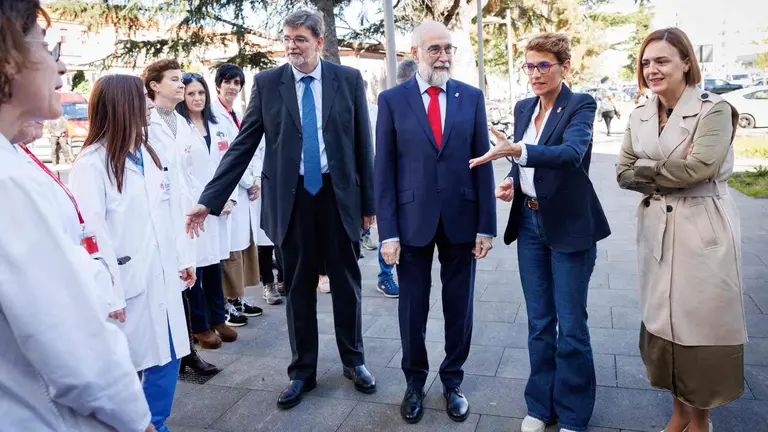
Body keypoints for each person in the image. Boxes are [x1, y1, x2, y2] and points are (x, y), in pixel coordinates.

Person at [186, 9, 376, 409]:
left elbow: (363, 143)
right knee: (298, 288)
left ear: (318, 42)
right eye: (287, 39)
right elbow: (243, 144)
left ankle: (353, 361)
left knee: (346, 285)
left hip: (338, 196)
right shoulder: (269, 84)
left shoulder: (347, 79)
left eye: (300, 39)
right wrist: (209, 199)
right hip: (291, 201)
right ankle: (302, 372)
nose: (292, 46)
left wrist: (370, 205)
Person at [0, 2, 153, 430]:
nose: (62, 66)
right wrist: (136, 419)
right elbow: (73, 344)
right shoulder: (10, 183)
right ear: (8, 58)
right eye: (46, 46)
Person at [469, 33, 611, 432]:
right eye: (529, 66)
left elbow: (570, 154)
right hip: (530, 224)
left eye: (543, 65)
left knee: (572, 326)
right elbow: (524, 164)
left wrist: (517, 152)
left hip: (569, 226)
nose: (534, 73)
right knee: (539, 323)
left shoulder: (580, 104)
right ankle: (540, 405)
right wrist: (512, 181)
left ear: (564, 67)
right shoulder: (523, 107)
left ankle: (573, 415)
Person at [616, 28, 744, 432]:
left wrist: (647, 168)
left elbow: (699, 168)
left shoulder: (714, 109)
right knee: (664, 321)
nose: (651, 69)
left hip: (701, 227)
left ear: (686, 62)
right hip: (657, 226)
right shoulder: (640, 113)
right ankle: (679, 414)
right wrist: (669, 170)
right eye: (646, 62)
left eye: (662, 60)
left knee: (700, 324)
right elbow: (621, 172)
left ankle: (700, 420)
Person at [375, 21, 496, 424]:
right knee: (412, 308)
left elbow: (483, 163)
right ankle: (414, 383)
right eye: (434, 50)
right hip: (411, 223)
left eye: (448, 49)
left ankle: (452, 381)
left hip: (462, 220)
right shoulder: (392, 101)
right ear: (415, 54)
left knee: (459, 307)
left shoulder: (471, 97)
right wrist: (388, 233)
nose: (443, 57)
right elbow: (383, 170)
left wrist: (486, 225)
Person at [69, 74, 197, 432]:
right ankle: (136, 424)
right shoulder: (92, 164)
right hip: (125, 281)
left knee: (169, 353)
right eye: (142, 97)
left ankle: (156, 422)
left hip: (162, 271)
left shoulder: (149, 153)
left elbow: (169, 212)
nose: (149, 104)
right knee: (129, 364)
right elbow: (91, 235)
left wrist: (183, 258)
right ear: (121, 105)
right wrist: (109, 292)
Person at [142, 59, 247, 340]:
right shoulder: (148, 123)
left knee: (207, 263)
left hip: (197, 205)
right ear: (154, 86)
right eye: (176, 80)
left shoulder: (182, 123)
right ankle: (197, 329)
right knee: (187, 271)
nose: (182, 85)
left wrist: (216, 199)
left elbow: (199, 168)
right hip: (169, 209)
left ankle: (213, 320)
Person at [173, 73, 235, 377]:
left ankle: (217, 318)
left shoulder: (216, 123)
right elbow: (183, 175)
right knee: (195, 267)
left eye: (201, 93)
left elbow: (229, 163)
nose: (197, 98)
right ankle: (200, 325)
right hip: (195, 207)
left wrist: (227, 197)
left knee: (214, 264)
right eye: (190, 94)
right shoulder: (179, 128)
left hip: (218, 204)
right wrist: (205, 201)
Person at [211, 63, 266, 316]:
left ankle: (238, 298)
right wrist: (248, 181)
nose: (232, 87)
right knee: (228, 251)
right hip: (231, 192)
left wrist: (256, 178)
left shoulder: (238, 115)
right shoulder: (213, 116)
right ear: (218, 84)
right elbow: (226, 156)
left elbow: (254, 149)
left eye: (237, 83)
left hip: (245, 191)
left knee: (242, 247)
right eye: (228, 82)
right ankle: (226, 303)